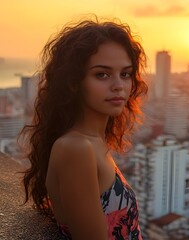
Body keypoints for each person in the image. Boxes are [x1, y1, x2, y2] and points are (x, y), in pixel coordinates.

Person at [20, 18, 147, 239]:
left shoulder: (93, 143)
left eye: (125, 74)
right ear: (73, 82)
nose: (118, 85)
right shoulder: (75, 148)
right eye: (102, 74)